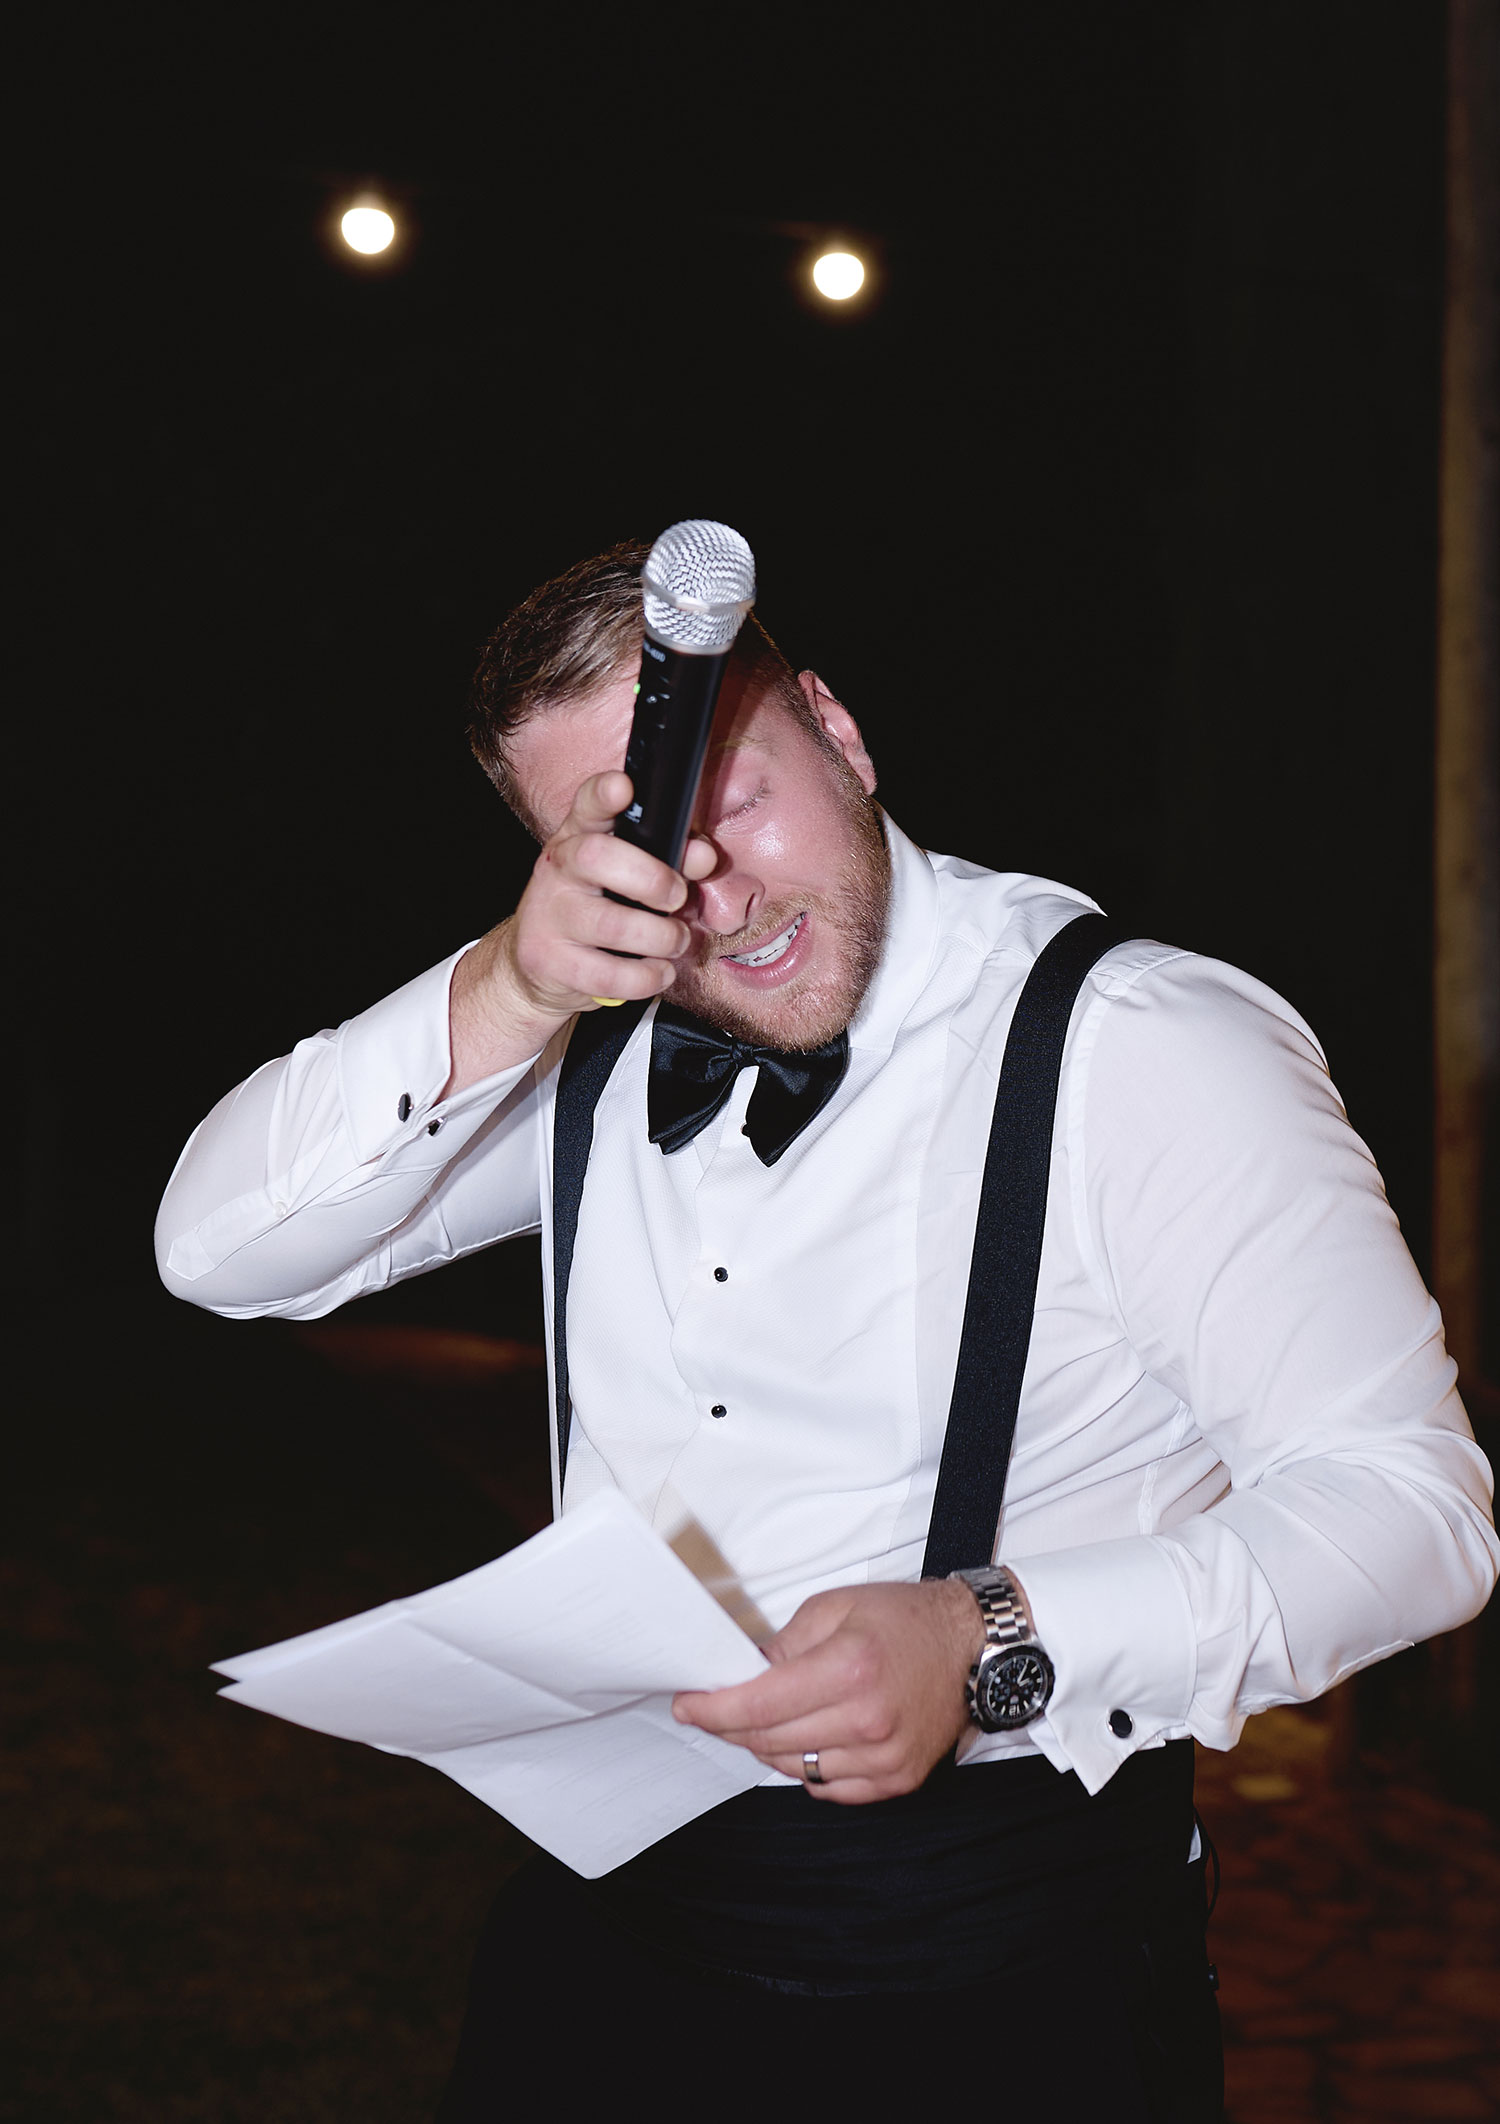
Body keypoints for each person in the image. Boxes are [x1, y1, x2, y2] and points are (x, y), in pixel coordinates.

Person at [157, 541, 1498, 2120]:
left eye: (736, 795)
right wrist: (510, 983)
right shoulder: (598, 1039)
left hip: (1000, 1979)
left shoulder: (1141, 1046)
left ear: (840, 733)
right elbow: (220, 1252)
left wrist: (992, 1641)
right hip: (610, 1949)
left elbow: (1417, 1513)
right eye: (633, 846)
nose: (714, 893)